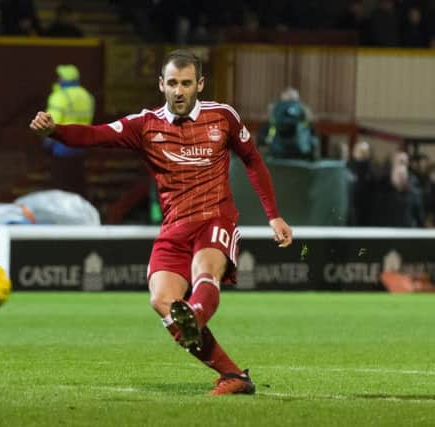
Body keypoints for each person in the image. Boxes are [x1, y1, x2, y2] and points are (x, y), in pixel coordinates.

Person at [30, 49, 293, 395]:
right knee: (162, 301)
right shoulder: (145, 125)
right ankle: (234, 375)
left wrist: (273, 215)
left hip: (216, 218)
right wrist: (55, 131)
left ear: (199, 84)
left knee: (205, 271)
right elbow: (96, 135)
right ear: (161, 85)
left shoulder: (222, 117)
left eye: (186, 83)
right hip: (174, 229)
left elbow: (253, 161)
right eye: (172, 83)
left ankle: (196, 314)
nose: (179, 90)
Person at [42, 65, 94, 196]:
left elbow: (50, 122)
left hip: (61, 147)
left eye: (60, 77)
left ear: (64, 78)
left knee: (61, 186)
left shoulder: (59, 96)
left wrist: (46, 143)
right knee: (78, 185)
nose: (58, 79)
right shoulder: (87, 96)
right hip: (82, 145)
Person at [261, 87, 319, 161]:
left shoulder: (302, 110)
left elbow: (311, 131)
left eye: (293, 100)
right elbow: (266, 134)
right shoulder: (277, 110)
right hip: (282, 150)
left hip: (295, 150)